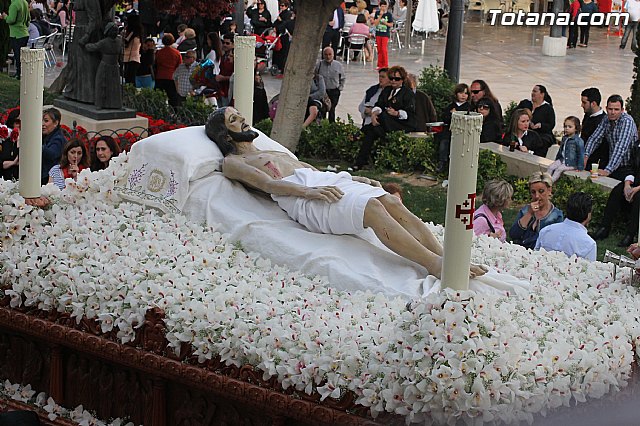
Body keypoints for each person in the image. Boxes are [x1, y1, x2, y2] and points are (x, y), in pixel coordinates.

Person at [205, 106, 488, 279]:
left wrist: (355, 177)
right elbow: (269, 186)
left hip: (321, 180)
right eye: (234, 120)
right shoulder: (234, 162)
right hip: (302, 197)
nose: (243, 120)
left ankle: (444, 256)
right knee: (373, 210)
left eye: (239, 115)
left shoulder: (267, 149)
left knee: (389, 200)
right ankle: (433, 265)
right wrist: (308, 192)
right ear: (226, 135)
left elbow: (306, 167)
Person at [353, 65, 416, 170]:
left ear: (402, 80)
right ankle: (360, 162)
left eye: (397, 79)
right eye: (391, 78)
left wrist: (396, 113)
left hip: (401, 123)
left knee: (377, 122)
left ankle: (363, 131)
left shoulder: (407, 93)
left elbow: (409, 113)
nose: (393, 81)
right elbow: (379, 104)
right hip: (385, 122)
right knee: (371, 133)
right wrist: (373, 114)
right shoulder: (387, 90)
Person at [591, 140, 640, 246]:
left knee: (638, 197)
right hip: (635, 181)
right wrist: (627, 184)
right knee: (617, 190)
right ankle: (604, 227)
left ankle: (630, 235)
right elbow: (631, 168)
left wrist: (636, 189)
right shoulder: (637, 145)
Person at [583, 94, 638, 180]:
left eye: (616, 109)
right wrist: (585, 156)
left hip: (628, 167)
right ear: (606, 108)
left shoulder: (627, 122)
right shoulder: (606, 119)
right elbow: (594, 138)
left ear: (622, 110)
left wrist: (608, 170)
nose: (612, 112)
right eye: (610, 109)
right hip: (613, 165)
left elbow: (621, 147)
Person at [509, 171, 564, 249]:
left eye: (541, 191)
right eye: (533, 192)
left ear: (549, 190)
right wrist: (529, 214)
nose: (537, 196)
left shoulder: (556, 215)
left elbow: (556, 242)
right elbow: (513, 235)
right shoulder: (525, 210)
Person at [535, 192, 596, 261]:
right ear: (588, 214)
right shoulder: (589, 244)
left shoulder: (546, 230)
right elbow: (589, 270)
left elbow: (535, 257)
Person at [63, 0, 102, 103]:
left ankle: (88, 96)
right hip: (78, 31)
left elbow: (95, 19)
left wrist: (86, 36)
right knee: (77, 63)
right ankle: (76, 93)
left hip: (86, 33)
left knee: (86, 65)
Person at [85, 22, 123, 110]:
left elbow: (92, 47)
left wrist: (86, 44)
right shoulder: (109, 42)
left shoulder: (114, 42)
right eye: (113, 30)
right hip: (108, 65)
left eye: (116, 30)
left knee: (112, 86)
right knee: (103, 84)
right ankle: (100, 103)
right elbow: (92, 47)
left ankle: (114, 104)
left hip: (112, 65)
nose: (115, 32)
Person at [436, 83, 470, 172]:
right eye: (461, 93)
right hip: (450, 131)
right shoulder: (451, 106)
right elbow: (445, 118)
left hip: (463, 132)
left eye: (466, 93)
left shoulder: (469, 107)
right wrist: (451, 114)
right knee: (444, 142)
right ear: (456, 94)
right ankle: (442, 162)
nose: (463, 95)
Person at [516, 85, 556, 157]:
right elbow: (515, 114)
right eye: (532, 91)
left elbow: (551, 124)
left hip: (541, 134)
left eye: (535, 91)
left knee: (540, 142)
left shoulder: (548, 108)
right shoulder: (525, 103)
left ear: (542, 94)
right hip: (524, 131)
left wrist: (540, 125)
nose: (532, 93)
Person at [547, 116, 585, 182]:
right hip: (562, 159)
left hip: (571, 163)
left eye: (570, 127)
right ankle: (545, 179)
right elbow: (561, 150)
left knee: (559, 169)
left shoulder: (578, 141)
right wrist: (557, 159)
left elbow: (581, 154)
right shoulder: (564, 138)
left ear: (576, 128)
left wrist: (580, 167)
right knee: (551, 167)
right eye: (565, 126)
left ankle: (550, 182)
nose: (567, 128)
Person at [315, 47, 345, 123]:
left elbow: (343, 78)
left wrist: (340, 88)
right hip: (323, 92)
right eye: (326, 54)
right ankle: (323, 125)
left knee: (332, 109)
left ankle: (332, 125)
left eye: (329, 54)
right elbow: (315, 77)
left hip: (334, 91)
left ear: (333, 55)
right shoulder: (319, 65)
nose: (328, 56)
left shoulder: (338, 65)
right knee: (323, 109)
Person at [2, 0, 30, 79]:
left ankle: (18, 74)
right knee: (22, 56)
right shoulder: (24, 2)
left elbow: (11, 20)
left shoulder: (14, 5)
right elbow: (28, 19)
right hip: (25, 33)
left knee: (18, 56)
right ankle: (22, 73)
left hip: (16, 34)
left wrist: (5, 16)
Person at [581, 87, 607, 166]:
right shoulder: (588, 115)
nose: (582, 105)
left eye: (584, 103)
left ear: (593, 104)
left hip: (592, 162)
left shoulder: (602, 121)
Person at [155, 33, 182, 107]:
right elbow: (179, 66)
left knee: (158, 97)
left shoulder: (159, 52)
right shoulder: (176, 53)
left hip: (160, 76)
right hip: (171, 77)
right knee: (173, 97)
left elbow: (156, 63)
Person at [41, 108, 66, 185]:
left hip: (50, 180)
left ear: (55, 123)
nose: (42, 124)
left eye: (46, 121)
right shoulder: (46, 136)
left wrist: (37, 145)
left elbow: (51, 154)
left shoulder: (58, 139)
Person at [123, 14, 143, 85]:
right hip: (136, 57)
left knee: (129, 79)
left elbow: (126, 41)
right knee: (131, 79)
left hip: (129, 58)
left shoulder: (132, 32)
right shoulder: (139, 32)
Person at [372, 0, 393, 70]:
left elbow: (391, 24)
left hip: (385, 33)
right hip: (378, 33)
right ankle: (380, 64)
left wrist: (386, 23)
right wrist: (380, 15)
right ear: (379, 6)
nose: (383, 8)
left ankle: (385, 64)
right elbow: (375, 23)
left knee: (384, 49)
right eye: (382, 6)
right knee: (379, 49)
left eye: (384, 6)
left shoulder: (389, 15)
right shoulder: (377, 13)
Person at [216, 32, 234, 106]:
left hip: (230, 91)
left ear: (233, 44)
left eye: (227, 43)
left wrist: (223, 78)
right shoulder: (223, 55)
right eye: (223, 43)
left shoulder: (236, 58)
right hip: (221, 90)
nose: (224, 45)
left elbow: (237, 77)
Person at [1, 109, 20, 181]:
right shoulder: (4, 140)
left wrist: (19, 140)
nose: (20, 125)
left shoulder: (29, 140)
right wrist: (13, 163)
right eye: (17, 122)